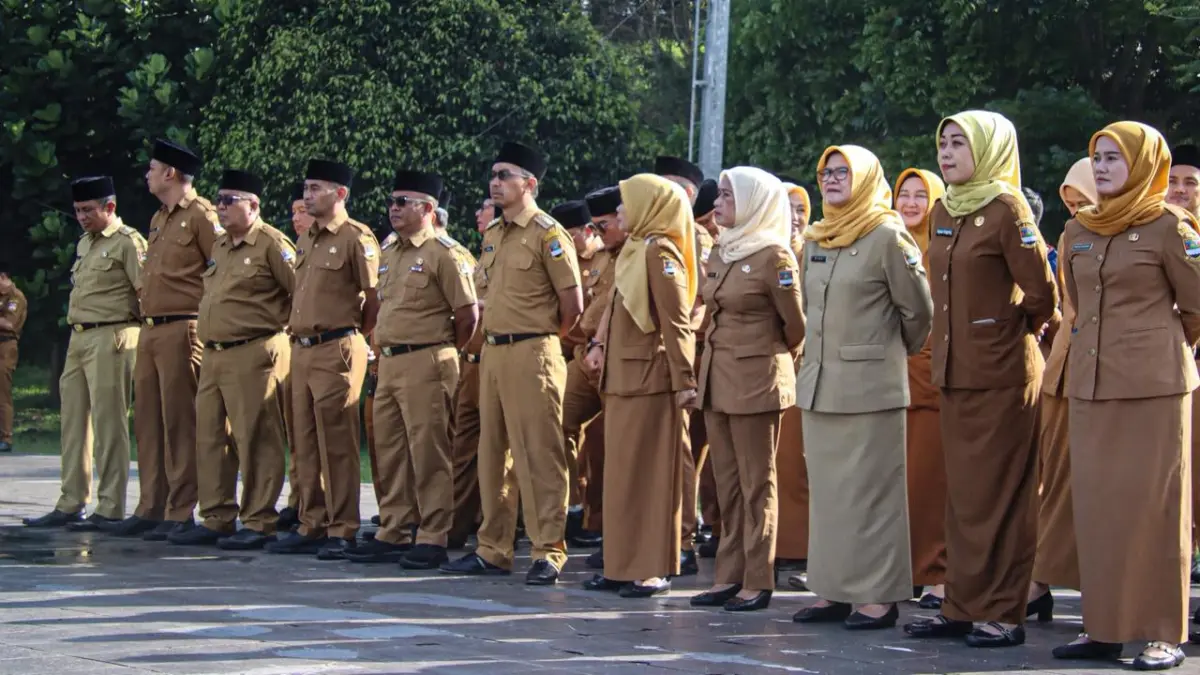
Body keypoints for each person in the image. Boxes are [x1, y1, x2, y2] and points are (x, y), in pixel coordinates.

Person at [904, 111, 1057, 648]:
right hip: (953, 372)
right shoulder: (946, 207)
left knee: (1001, 497)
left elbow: (1043, 293)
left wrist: (1007, 332)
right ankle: (960, 605)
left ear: (989, 150)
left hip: (1001, 376)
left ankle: (1003, 612)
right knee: (963, 497)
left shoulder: (1007, 207)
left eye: (958, 144)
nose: (946, 154)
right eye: (942, 143)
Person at [1053, 122, 1200, 670]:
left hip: (1154, 389)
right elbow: (1074, 303)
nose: (1104, 168)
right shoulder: (1079, 231)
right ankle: (1105, 627)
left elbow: (1196, 307)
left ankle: (1163, 632)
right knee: (1099, 510)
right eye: (1098, 158)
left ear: (1143, 165)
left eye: (1116, 158)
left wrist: (1154, 349)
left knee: (1156, 510)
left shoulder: (1171, 227)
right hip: (1092, 387)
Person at [792, 147, 933, 629]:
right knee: (830, 497)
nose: (831, 180)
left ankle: (876, 596)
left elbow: (919, 313)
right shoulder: (817, 237)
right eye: (826, 172)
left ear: (868, 178)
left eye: (843, 173)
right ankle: (832, 589)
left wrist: (885, 354)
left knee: (873, 496)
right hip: (820, 386)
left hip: (871, 388)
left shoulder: (887, 235)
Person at [440, 142, 583, 585]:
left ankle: (547, 550)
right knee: (493, 454)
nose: (495, 182)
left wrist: (538, 338)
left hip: (533, 351)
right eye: (493, 175)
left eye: (505, 175)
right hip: (495, 352)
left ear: (530, 184)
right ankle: (493, 548)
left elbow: (572, 305)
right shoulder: (493, 235)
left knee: (539, 454)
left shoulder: (548, 234)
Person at [346, 170, 477, 569]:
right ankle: (394, 529)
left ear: (428, 208)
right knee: (389, 451)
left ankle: (434, 534)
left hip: (428, 359)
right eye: (392, 201)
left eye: (403, 202)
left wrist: (441, 349)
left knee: (430, 451)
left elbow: (467, 315)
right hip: (390, 362)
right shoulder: (391, 253)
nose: (394, 208)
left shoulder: (444, 252)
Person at [690, 167, 804, 612]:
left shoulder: (775, 256)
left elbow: (795, 327)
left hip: (757, 382)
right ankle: (727, 575)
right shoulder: (723, 249)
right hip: (718, 380)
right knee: (726, 483)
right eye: (718, 196)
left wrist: (768, 363)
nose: (717, 205)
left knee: (759, 484)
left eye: (726, 197)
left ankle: (758, 579)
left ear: (755, 202)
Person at [580, 173, 697, 597]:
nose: (620, 212)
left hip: (650, 380)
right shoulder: (632, 250)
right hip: (623, 378)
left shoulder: (660, 252)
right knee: (623, 477)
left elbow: (676, 321)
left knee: (649, 479)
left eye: (627, 204)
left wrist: (685, 381)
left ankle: (650, 569)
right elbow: (615, 309)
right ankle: (621, 564)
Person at [167, 170, 295, 549]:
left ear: (253, 205)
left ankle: (258, 520)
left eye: (229, 200)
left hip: (254, 351)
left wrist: (278, 333)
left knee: (255, 436)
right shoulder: (221, 246)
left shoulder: (272, 243)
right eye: (219, 200)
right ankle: (218, 516)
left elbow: (300, 293)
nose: (220, 207)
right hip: (215, 353)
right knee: (210, 437)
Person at [110, 139, 223, 541]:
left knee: (180, 421)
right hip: (151, 328)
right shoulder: (159, 218)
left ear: (171, 174)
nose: (147, 174)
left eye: (152, 167)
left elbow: (221, 271)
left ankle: (181, 508)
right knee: (149, 421)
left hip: (183, 327)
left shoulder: (202, 215)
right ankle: (151, 506)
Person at [266, 158, 380, 560]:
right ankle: (311, 522)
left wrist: (352, 335)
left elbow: (374, 300)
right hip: (302, 349)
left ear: (341, 194)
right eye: (306, 188)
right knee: (304, 440)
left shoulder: (356, 237)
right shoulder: (306, 238)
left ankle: (343, 527)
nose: (307, 195)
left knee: (337, 442)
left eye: (316, 188)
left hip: (337, 346)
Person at [23, 176, 145, 529]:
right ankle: (71, 501)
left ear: (110, 207)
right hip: (78, 337)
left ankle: (110, 507)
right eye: (77, 210)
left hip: (113, 335)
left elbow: (145, 293)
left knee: (109, 423)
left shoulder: (127, 243)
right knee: (73, 422)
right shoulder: (84, 244)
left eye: (89, 210)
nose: (81, 216)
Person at [1027, 159, 1097, 610]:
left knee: (1103, 488)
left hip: (1117, 377)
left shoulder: (1163, 231)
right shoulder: (1075, 237)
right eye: (1069, 205)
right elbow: (1061, 306)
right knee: (1054, 486)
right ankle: (1040, 580)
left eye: (1084, 203)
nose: (1075, 214)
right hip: (1064, 377)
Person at [892, 167, 948, 608]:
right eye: (903, 194)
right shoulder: (887, 245)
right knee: (897, 484)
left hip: (930, 380)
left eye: (920, 195)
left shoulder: (944, 250)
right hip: (888, 379)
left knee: (929, 482)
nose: (911, 203)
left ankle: (937, 575)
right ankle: (904, 571)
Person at [560, 191, 620, 556]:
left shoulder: (639, 254)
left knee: (614, 445)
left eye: (603, 226)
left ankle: (610, 527)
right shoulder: (599, 258)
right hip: (584, 354)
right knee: (556, 418)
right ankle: (572, 506)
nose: (600, 231)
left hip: (620, 358)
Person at [553, 198, 607, 547]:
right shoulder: (560, 257)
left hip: (610, 357)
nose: (564, 241)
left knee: (605, 442)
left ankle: (599, 519)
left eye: (570, 234)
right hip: (577, 355)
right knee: (558, 423)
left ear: (589, 231)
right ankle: (572, 507)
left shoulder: (610, 258)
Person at [447, 198, 497, 549]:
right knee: (462, 451)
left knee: (500, 455)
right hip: (472, 363)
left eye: (487, 208)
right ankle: (456, 526)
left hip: (500, 361)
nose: (479, 214)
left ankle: (499, 536)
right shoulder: (483, 259)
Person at [775, 181, 812, 580]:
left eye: (801, 209)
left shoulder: (811, 250)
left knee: (798, 460)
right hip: (773, 365)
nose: (796, 217)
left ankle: (799, 546)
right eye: (787, 208)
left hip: (807, 365)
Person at [692, 178, 723, 560]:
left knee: (721, 452)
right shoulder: (709, 243)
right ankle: (707, 523)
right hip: (701, 352)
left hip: (727, 356)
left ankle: (719, 526)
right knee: (699, 446)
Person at [0, 258, 27, 454]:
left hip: (5, 347)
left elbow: (9, 324)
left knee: (2, 392)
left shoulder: (16, 297)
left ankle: (6, 437)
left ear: (3, 277)